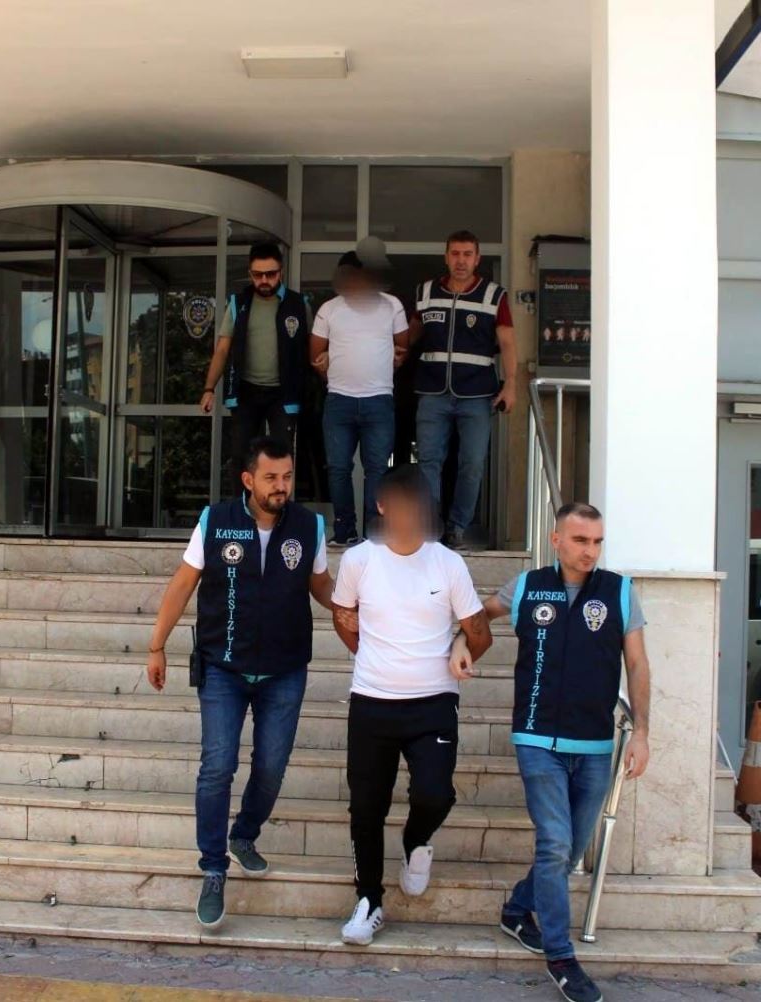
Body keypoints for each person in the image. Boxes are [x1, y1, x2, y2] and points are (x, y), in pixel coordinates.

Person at [451, 502, 651, 1002]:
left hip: (595, 744)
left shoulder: (620, 591)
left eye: (597, 541)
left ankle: (519, 908)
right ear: (556, 539)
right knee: (556, 843)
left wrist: (642, 732)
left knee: (568, 850)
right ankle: (561, 957)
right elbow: (481, 615)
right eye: (580, 540)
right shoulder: (527, 586)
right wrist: (460, 641)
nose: (590, 551)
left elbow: (637, 663)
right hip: (537, 738)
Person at [146, 436, 333, 930]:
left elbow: (321, 586)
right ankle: (213, 868)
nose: (281, 486)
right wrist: (156, 645)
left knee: (270, 768)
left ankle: (244, 833)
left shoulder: (309, 526)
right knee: (217, 767)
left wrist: (356, 611)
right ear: (248, 480)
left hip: (284, 668)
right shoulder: (215, 521)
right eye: (271, 478)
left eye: (287, 477)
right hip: (223, 667)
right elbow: (183, 583)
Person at [331, 464, 493, 946]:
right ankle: (369, 901)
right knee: (366, 806)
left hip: (434, 701)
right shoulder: (359, 560)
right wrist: (371, 657)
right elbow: (343, 616)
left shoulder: (448, 564)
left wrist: (462, 645)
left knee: (435, 794)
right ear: (381, 507)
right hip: (372, 701)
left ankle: (415, 841)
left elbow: (480, 631)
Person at [410, 230, 517, 550]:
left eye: (467, 254)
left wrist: (511, 384)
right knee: (428, 462)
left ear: (477, 258)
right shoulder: (425, 292)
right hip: (432, 392)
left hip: (477, 395)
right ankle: (430, 528)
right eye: (455, 253)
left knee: (472, 463)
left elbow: (508, 342)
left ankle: (457, 528)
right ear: (446, 257)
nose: (461, 260)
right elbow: (409, 337)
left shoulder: (494, 295)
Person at [310, 247, 408, 546]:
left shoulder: (392, 305)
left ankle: (374, 535)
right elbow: (315, 356)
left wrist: (384, 365)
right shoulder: (329, 309)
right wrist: (334, 375)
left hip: (379, 400)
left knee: (377, 469)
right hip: (339, 400)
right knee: (338, 468)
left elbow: (402, 349)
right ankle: (344, 531)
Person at [200, 243, 310, 494]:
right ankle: (242, 511)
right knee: (241, 456)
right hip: (246, 391)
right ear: (250, 274)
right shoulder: (238, 304)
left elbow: (312, 346)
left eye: (270, 274)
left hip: (284, 393)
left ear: (281, 272)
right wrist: (209, 388)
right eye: (258, 274)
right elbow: (222, 349)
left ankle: (279, 511)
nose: (264, 280)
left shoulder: (298, 304)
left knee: (282, 457)